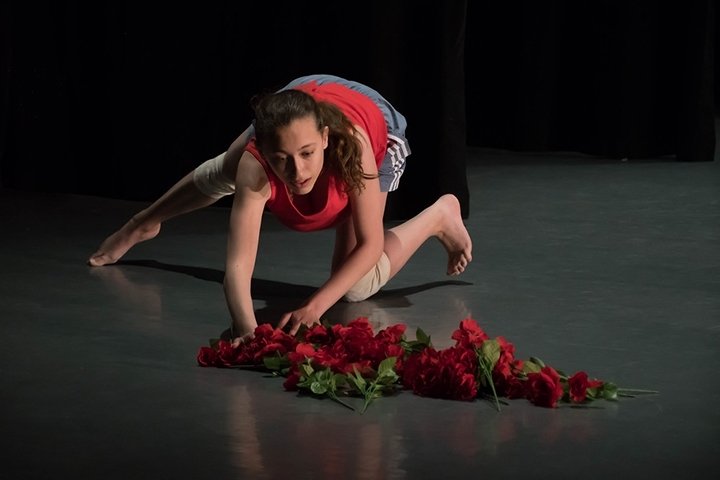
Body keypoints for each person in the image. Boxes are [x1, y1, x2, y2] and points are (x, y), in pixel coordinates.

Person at [88, 74, 472, 341]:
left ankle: (438, 215)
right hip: (303, 95)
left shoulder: (353, 147)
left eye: (306, 154)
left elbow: (371, 244)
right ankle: (143, 223)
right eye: (281, 158)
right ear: (264, 147)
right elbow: (238, 266)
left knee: (354, 285)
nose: (297, 171)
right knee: (228, 168)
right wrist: (245, 329)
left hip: (371, 122)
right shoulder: (258, 159)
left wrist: (314, 306)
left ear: (322, 139)